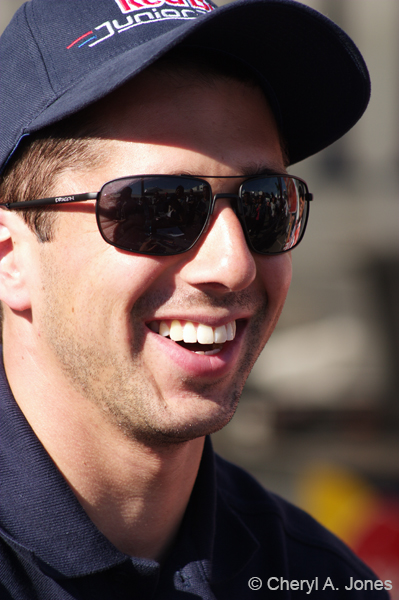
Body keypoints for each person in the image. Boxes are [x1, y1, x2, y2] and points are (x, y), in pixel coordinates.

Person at [0, 0, 391, 598]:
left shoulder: (321, 580)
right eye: (158, 209)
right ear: (10, 257)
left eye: (265, 204)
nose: (233, 265)